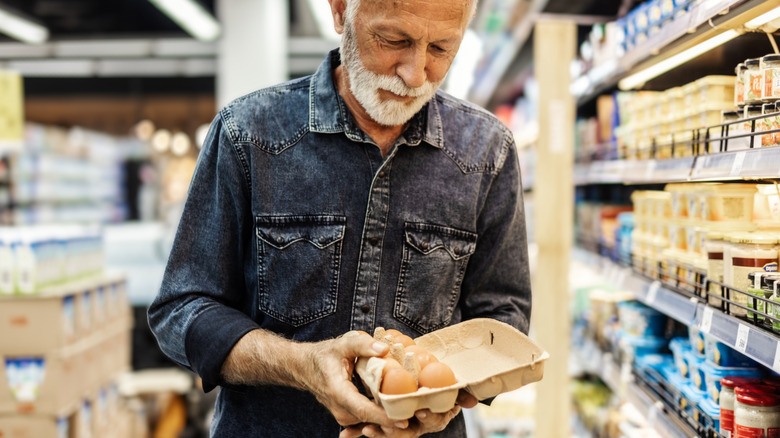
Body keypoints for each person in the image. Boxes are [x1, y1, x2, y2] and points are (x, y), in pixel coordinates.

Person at [147, 0, 532, 436]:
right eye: (394, 41)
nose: (415, 73)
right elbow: (181, 310)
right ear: (339, 11)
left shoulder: (487, 152)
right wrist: (302, 365)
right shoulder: (248, 134)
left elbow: (505, 313)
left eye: (442, 48)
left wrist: (447, 393)